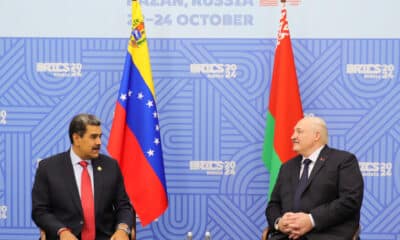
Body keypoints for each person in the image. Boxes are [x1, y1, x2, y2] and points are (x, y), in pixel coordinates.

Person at [32, 114, 135, 240]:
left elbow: (123, 206)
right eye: (93, 137)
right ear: (76, 138)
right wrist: (61, 231)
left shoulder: (111, 166)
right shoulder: (48, 168)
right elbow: (40, 211)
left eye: (100, 136)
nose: (99, 142)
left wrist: (122, 229)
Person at [266, 116, 364, 240]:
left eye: (299, 131)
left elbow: (350, 200)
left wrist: (311, 220)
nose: (293, 136)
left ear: (316, 136)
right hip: (287, 236)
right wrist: (279, 222)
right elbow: (274, 204)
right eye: (294, 132)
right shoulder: (287, 167)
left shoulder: (343, 161)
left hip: (325, 235)